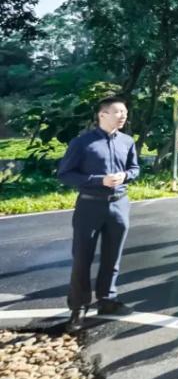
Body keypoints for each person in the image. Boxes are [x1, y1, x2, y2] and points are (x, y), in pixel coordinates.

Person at [58, 96, 140, 331]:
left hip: (119, 205)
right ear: (102, 115)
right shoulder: (82, 143)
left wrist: (125, 176)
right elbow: (65, 174)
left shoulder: (127, 141)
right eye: (118, 112)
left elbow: (135, 168)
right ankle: (78, 308)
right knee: (82, 257)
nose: (123, 116)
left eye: (125, 112)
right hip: (90, 206)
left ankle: (107, 300)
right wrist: (98, 180)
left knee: (113, 256)